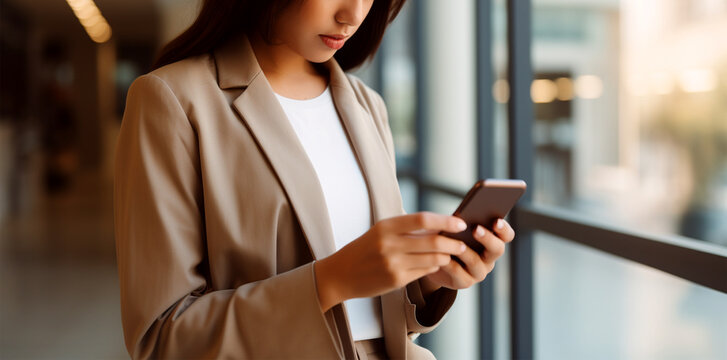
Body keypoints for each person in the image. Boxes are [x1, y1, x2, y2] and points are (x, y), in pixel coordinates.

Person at [113, 0, 516, 359]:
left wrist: (429, 282)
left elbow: (373, 319)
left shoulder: (366, 105)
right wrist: (330, 280)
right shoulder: (172, 100)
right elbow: (160, 341)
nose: (353, 15)